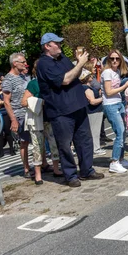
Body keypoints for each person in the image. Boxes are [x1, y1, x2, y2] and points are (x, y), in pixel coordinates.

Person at [36, 33, 104, 188]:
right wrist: (80, 64)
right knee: (65, 145)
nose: (60, 45)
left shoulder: (63, 58)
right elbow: (65, 80)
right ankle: (71, 175)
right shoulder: (44, 64)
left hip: (78, 105)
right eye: (57, 43)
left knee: (85, 140)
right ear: (47, 46)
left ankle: (87, 170)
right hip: (61, 111)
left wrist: (80, 66)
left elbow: (76, 74)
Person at [21, 60, 63, 185]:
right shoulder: (34, 84)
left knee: (54, 144)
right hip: (37, 119)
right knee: (38, 146)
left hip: (50, 118)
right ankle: (38, 175)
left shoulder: (52, 82)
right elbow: (24, 102)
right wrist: (41, 102)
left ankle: (56, 169)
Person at [101, 49, 128, 174]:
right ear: (108, 60)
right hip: (110, 105)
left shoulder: (116, 72)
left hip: (119, 103)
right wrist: (124, 86)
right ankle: (114, 162)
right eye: (112, 58)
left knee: (123, 132)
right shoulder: (107, 73)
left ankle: (120, 159)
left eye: (117, 58)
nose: (114, 61)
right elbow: (109, 92)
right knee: (119, 131)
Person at [2, 52, 30, 177]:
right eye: (23, 62)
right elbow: (6, 102)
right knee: (24, 142)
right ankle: (26, 168)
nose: (25, 64)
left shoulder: (23, 77)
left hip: (29, 112)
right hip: (19, 113)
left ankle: (43, 164)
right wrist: (13, 120)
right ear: (15, 63)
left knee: (34, 140)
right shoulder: (8, 79)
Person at [80, 69, 105, 157]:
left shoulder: (86, 87)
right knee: (95, 131)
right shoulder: (86, 88)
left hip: (94, 111)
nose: (92, 76)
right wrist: (103, 98)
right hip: (93, 111)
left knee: (94, 130)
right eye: (90, 75)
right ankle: (96, 148)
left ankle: (95, 147)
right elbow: (92, 101)